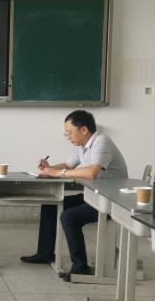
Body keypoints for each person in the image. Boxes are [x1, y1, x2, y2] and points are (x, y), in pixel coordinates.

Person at [20, 110, 128, 282]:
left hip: (111, 202)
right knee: (50, 205)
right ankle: (45, 254)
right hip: (93, 197)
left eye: (70, 132)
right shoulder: (81, 146)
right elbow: (68, 165)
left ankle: (81, 267)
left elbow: (91, 172)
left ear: (84, 129)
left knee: (69, 216)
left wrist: (58, 173)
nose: (68, 137)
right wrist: (49, 168)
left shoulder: (102, 142)